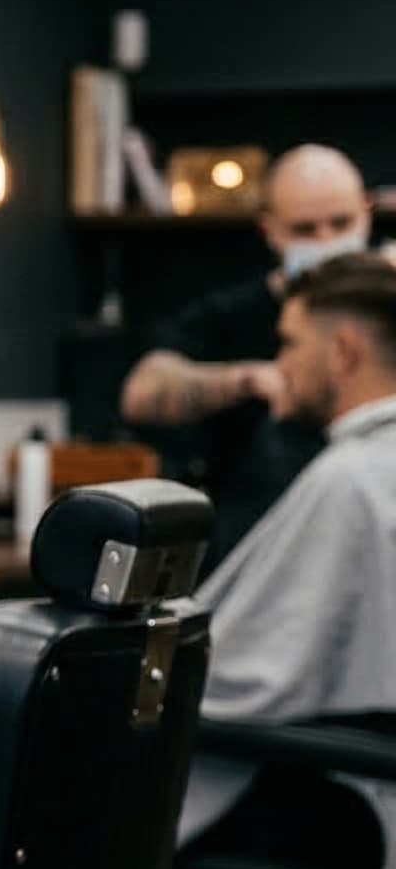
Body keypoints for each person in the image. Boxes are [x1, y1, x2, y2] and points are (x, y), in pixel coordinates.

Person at [177, 252, 396, 845]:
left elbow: (246, 681)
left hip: (335, 796)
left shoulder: (351, 479)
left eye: (290, 344)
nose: (281, 365)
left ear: (344, 352)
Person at [121, 144, 379, 566]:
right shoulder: (231, 315)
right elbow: (141, 392)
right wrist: (249, 380)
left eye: (340, 223)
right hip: (260, 546)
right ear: (270, 230)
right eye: (305, 229)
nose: (327, 240)